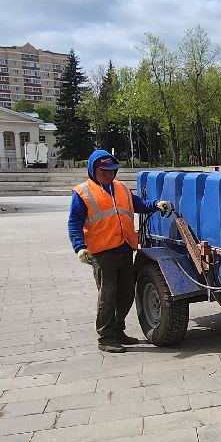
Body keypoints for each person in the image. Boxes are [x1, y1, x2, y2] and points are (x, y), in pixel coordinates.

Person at [67, 150, 153, 353]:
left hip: (124, 248)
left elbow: (138, 205)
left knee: (126, 293)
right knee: (108, 295)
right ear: (93, 170)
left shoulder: (121, 188)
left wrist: (156, 205)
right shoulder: (83, 192)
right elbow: (74, 222)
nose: (108, 174)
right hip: (102, 252)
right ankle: (105, 337)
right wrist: (79, 247)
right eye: (103, 170)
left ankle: (118, 330)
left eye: (111, 170)